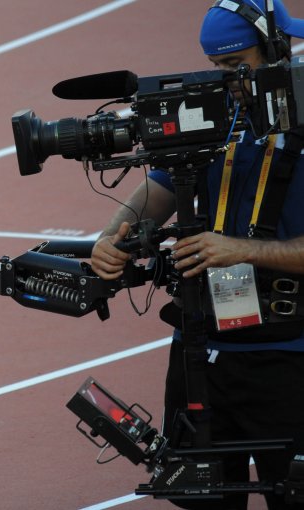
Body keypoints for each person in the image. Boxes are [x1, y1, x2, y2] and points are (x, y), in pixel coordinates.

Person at [90, 1, 304, 508]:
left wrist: (239, 250)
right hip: (202, 346)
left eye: (237, 65)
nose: (228, 80)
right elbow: (159, 187)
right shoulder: (215, 108)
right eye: (219, 67)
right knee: (204, 498)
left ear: (277, 48)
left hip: (290, 354)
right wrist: (111, 236)